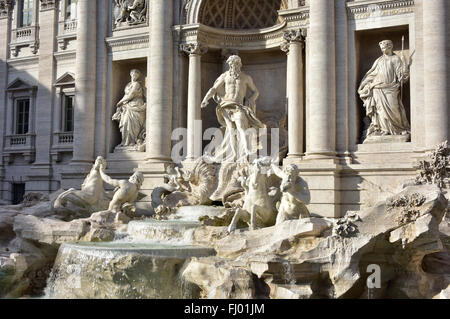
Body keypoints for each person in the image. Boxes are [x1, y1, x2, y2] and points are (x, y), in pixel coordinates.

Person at [201, 55, 266, 162]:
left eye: (235, 64)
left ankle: (246, 151)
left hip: (238, 106)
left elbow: (256, 92)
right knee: (230, 130)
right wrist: (205, 99)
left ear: (239, 64)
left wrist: (251, 100)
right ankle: (235, 154)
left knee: (240, 126)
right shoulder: (225, 76)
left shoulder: (246, 77)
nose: (233, 66)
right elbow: (214, 89)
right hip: (226, 105)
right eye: (231, 64)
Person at [358, 40, 410, 139]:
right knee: (380, 110)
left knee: (394, 108)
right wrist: (365, 84)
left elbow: (402, 77)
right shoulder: (379, 60)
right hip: (377, 88)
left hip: (391, 88)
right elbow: (372, 74)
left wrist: (404, 67)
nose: (382, 50)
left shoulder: (396, 59)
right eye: (381, 48)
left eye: (384, 47)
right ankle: (383, 130)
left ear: (390, 47)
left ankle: (397, 129)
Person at [112, 69, 146, 147]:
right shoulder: (128, 85)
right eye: (134, 74)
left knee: (133, 124)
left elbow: (132, 94)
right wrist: (121, 102)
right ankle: (125, 142)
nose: (135, 76)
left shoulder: (136, 84)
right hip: (128, 106)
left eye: (137, 75)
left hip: (136, 105)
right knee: (125, 123)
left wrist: (120, 102)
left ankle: (132, 142)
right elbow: (126, 95)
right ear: (131, 74)